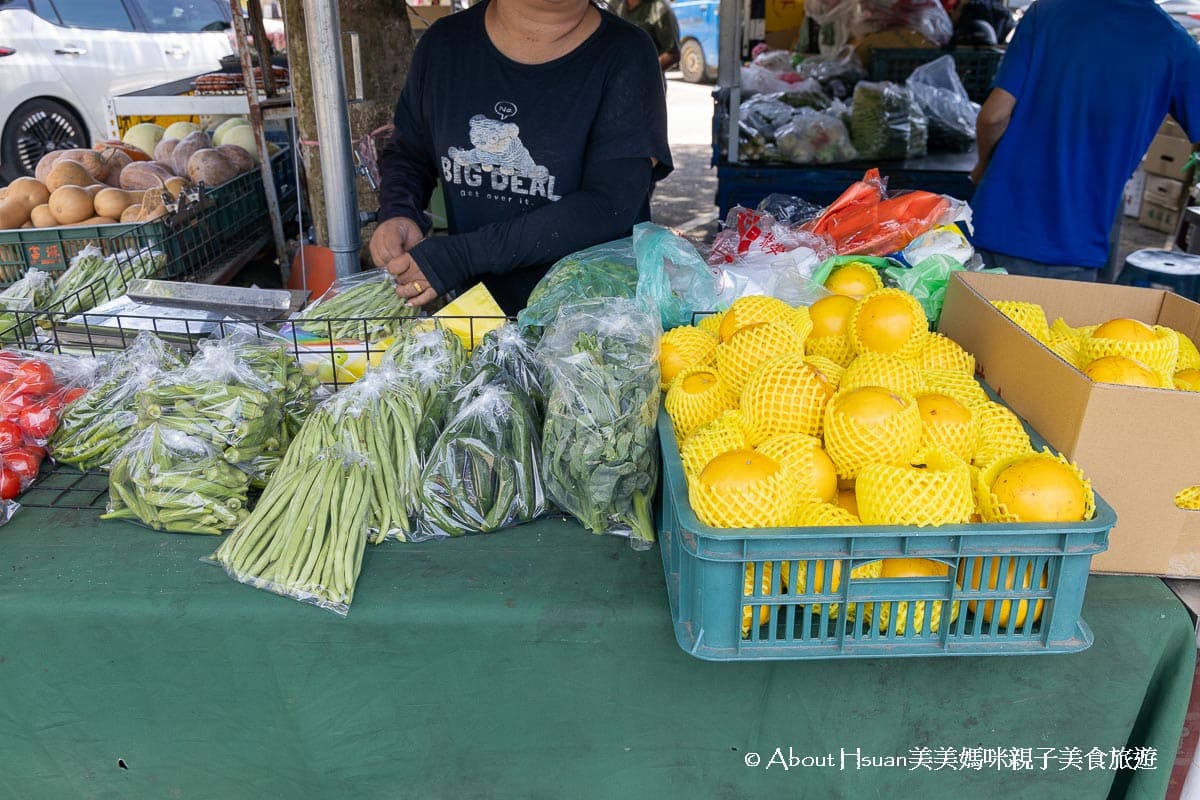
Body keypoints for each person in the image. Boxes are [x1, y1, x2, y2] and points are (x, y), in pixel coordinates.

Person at [369, 0, 673, 315]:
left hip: (590, 326)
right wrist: (399, 212)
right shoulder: (444, 45)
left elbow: (609, 205)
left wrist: (462, 255)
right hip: (476, 318)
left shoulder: (627, 53)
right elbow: (410, 152)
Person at [967, 0, 1200, 282]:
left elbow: (994, 115)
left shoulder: (1047, 13)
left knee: (974, 325)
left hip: (994, 225)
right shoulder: (1174, 43)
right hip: (1074, 242)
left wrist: (983, 166)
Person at [610, 0, 681, 73]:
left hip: (645, 81)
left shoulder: (659, 7)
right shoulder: (614, 5)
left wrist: (641, 73)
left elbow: (673, 54)